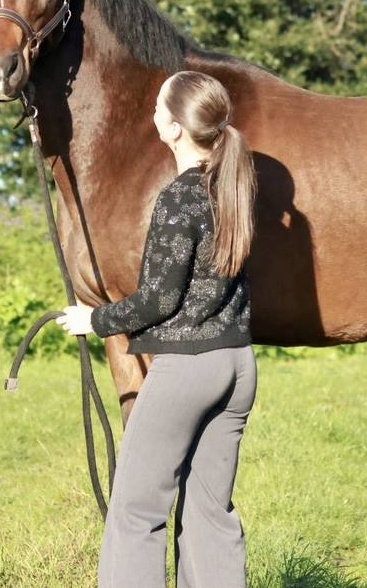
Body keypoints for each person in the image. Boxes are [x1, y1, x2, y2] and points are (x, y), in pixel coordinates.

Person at [57, 70, 258, 587]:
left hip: (188, 368)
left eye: (158, 107)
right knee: (211, 514)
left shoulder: (178, 198)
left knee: (136, 511)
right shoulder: (233, 188)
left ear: (172, 128)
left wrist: (94, 319)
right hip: (237, 365)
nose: (152, 113)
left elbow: (158, 299)